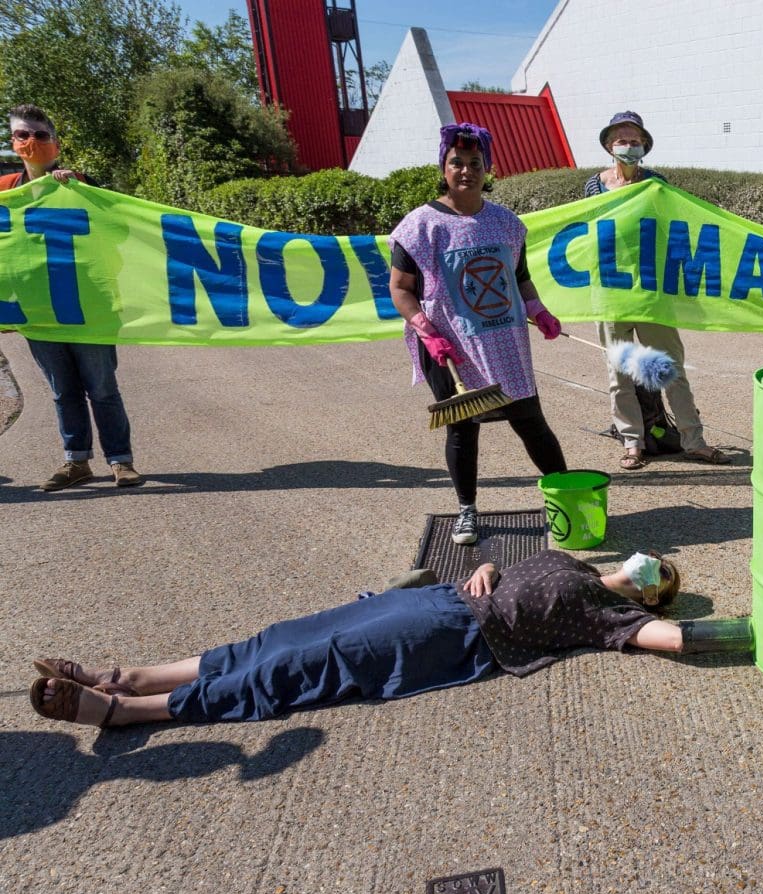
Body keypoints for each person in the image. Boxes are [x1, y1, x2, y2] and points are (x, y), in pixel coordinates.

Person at [29, 550, 687, 728]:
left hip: (457, 635)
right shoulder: (572, 561)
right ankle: (133, 676)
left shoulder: (610, 615)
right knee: (281, 637)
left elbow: (675, 638)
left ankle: (132, 711)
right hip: (435, 599)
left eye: (656, 573)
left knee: (304, 665)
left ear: (650, 595)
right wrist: (487, 567)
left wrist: (733, 631)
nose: (646, 563)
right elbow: (501, 564)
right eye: (652, 558)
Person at [389, 123, 568, 546]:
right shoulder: (419, 226)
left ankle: (566, 497)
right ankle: (466, 510)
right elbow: (400, 288)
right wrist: (425, 331)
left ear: (488, 169)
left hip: (504, 342)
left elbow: (519, 277)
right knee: (463, 429)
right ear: (443, 167)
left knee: (531, 421)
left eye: (475, 163)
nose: (466, 171)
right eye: (457, 163)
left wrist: (538, 309)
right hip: (449, 347)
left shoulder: (506, 223)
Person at [5, 104, 142, 491]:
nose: (31, 142)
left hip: (88, 307)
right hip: (37, 311)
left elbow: (117, 230)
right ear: (13, 142)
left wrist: (78, 189)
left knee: (102, 388)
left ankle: (121, 461)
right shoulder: (5, 191)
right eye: (22, 135)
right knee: (63, 391)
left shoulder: (79, 183)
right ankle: (76, 462)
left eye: (39, 135)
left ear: (55, 143)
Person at [584, 111, 727, 471]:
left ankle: (694, 441)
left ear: (645, 147)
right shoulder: (593, 186)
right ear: (609, 145)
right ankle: (632, 443)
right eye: (622, 139)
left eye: (635, 140)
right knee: (619, 374)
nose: (629, 146)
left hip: (651, 290)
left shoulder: (657, 184)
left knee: (670, 369)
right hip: (611, 291)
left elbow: (672, 229)